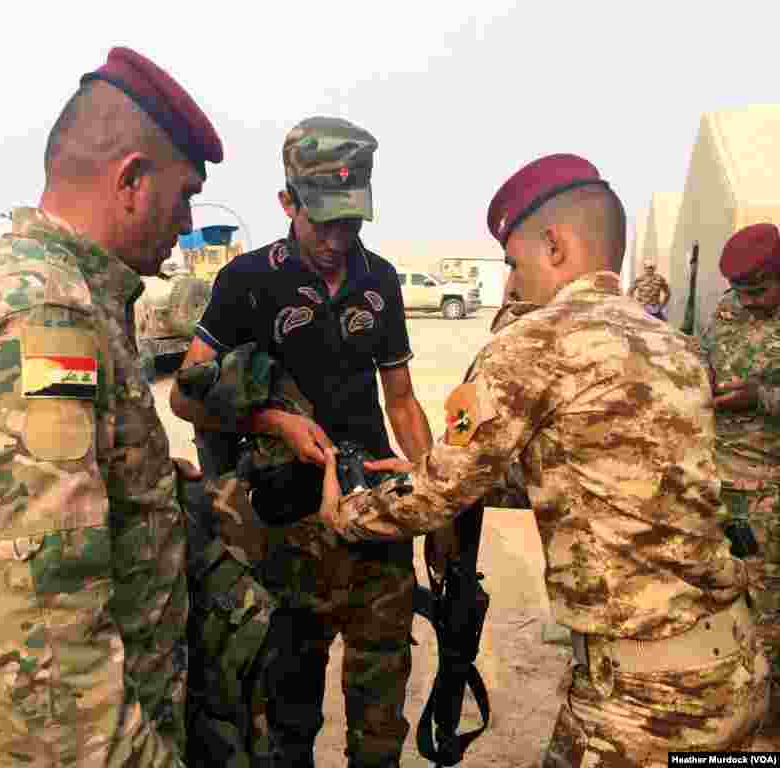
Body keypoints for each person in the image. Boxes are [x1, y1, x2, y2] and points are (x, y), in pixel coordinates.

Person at [317, 153, 768, 767]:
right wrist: (449, 479)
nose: (514, 284)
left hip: (644, 700)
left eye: (514, 263)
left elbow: (436, 495)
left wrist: (346, 512)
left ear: (553, 245)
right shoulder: (676, 345)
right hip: (732, 668)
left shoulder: (537, 339)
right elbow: (605, 478)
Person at [0, 46, 222, 767]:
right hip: (66, 732)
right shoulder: (49, 313)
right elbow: (47, 612)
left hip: (13, 705)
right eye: (184, 194)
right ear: (132, 181)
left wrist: (148, 480)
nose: (188, 220)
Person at [170, 116, 433, 768]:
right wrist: (272, 422)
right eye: (324, 222)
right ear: (288, 202)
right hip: (281, 528)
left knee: (380, 719)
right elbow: (184, 395)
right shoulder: (246, 282)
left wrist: (433, 482)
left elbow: (399, 397)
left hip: (373, 518)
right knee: (285, 723)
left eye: (353, 222)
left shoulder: (381, 280)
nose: (339, 241)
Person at [699, 222, 780, 734]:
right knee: (722, 604)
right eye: (741, 291)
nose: (747, 301)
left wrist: (763, 398)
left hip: (773, 492)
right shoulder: (727, 309)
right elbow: (704, 360)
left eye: (759, 290)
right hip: (721, 489)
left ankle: (767, 735)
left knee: (770, 616)